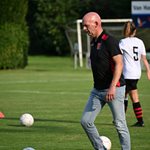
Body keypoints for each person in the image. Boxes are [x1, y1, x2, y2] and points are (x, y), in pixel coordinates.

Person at [80, 12, 131, 150]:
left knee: (120, 125)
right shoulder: (94, 42)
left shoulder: (110, 41)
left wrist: (112, 87)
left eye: (86, 25)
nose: (84, 29)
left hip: (114, 90)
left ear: (96, 23)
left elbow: (119, 64)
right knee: (86, 121)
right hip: (97, 91)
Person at [119, 21, 150, 127]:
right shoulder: (140, 42)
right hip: (137, 73)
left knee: (124, 96)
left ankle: (121, 120)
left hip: (127, 73)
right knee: (129, 95)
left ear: (124, 31)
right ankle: (139, 121)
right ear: (135, 31)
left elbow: (118, 58)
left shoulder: (123, 42)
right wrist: (149, 71)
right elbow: (144, 59)